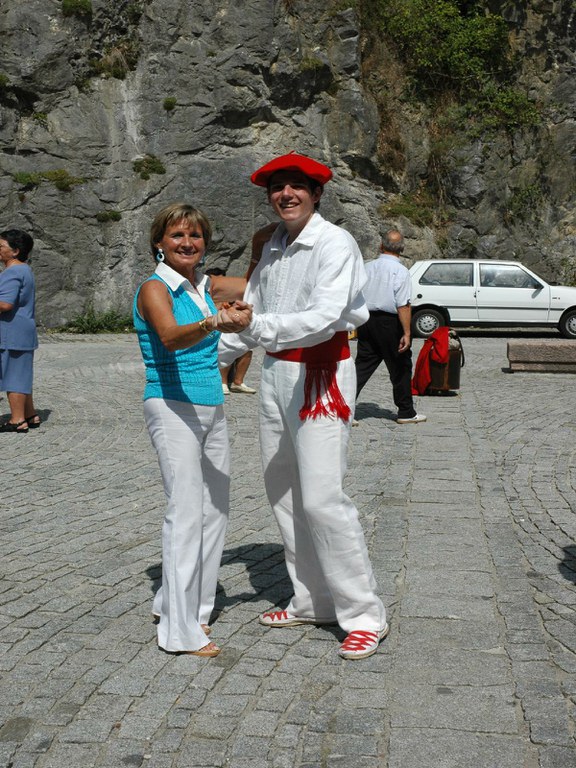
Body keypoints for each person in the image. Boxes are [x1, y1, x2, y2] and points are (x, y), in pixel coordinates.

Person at [218, 151, 388, 660]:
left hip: (320, 373)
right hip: (275, 373)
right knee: (285, 492)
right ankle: (312, 600)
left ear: (316, 194)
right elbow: (253, 313)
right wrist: (206, 358)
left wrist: (254, 326)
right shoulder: (272, 244)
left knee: (322, 498)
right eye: (277, 187)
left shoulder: (335, 242)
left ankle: (364, 614)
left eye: (296, 186)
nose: (286, 194)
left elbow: (323, 317)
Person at [133, 202, 252, 658]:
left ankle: (189, 606)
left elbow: (262, 281)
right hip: (170, 405)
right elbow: (169, 336)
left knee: (215, 510)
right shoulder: (155, 287)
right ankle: (178, 633)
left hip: (211, 405)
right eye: (177, 235)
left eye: (195, 235)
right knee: (185, 511)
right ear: (159, 243)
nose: (187, 243)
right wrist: (213, 321)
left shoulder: (205, 285)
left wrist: (270, 242)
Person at [354, 229, 426, 424]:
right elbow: (403, 305)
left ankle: (344, 408)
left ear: (381, 245)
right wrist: (407, 332)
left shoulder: (367, 267)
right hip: (389, 323)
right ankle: (406, 411)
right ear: (402, 249)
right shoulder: (401, 271)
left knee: (362, 365)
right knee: (401, 367)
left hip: (367, 320)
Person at [0, 229, 40, 433]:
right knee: (21, 374)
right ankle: (30, 414)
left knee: (13, 376)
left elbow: (5, 304)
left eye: (1, 246)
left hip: (11, 332)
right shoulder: (25, 269)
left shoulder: (12, 272)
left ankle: (17, 420)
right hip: (23, 330)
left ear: (15, 251)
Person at [205, 268, 256, 395]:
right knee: (226, 341)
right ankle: (223, 382)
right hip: (215, 330)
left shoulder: (232, 297)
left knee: (246, 349)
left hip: (228, 326)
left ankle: (238, 382)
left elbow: (249, 286)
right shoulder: (207, 293)